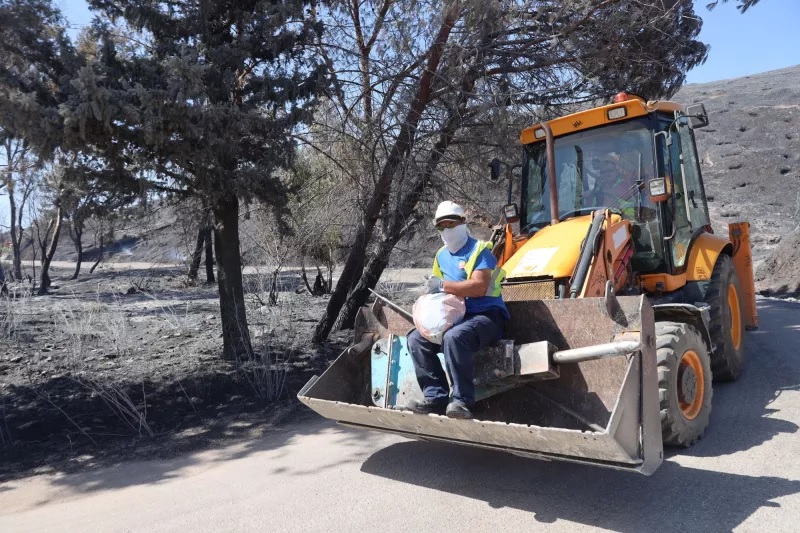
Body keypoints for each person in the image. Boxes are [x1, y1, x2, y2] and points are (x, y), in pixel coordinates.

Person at [404, 201, 510, 419]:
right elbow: (437, 291)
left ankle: (462, 402)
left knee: (454, 338)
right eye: (441, 226)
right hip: (457, 318)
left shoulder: (479, 250)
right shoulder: (441, 256)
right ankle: (435, 397)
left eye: (451, 223)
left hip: (487, 317)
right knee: (416, 338)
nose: (447, 230)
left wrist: (442, 286)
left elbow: (479, 287)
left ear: (463, 223)